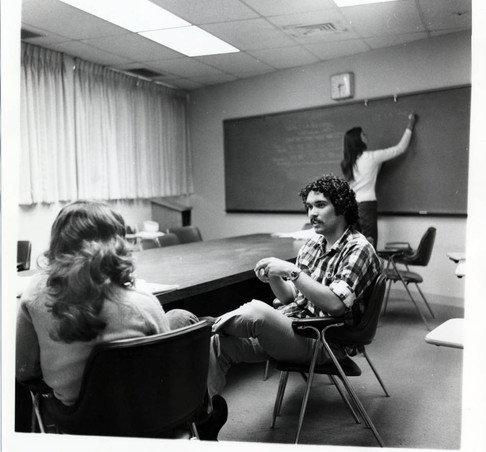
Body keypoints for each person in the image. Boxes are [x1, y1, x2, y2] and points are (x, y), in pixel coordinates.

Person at [15, 200, 227, 440]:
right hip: (151, 414)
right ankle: (204, 416)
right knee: (180, 319)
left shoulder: (34, 296)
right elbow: (165, 368)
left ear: (59, 241)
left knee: (177, 319)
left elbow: (24, 372)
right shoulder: (144, 302)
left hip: (79, 418)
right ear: (117, 242)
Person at [207, 174, 382, 397]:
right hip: (293, 329)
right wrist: (274, 276)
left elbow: (336, 305)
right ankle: (207, 415)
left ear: (342, 207)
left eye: (320, 205)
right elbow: (292, 298)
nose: (312, 213)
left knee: (257, 311)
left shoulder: (359, 249)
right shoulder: (312, 245)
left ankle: (205, 325)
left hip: (325, 342)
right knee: (217, 345)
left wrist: (292, 271)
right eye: (309, 207)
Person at [341, 113, 417, 248]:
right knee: (369, 247)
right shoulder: (371, 157)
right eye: (363, 135)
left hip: (351, 207)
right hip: (366, 206)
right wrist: (410, 125)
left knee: (354, 248)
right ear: (358, 140)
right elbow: (400, 148)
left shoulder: (347, 163)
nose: (366, 137)